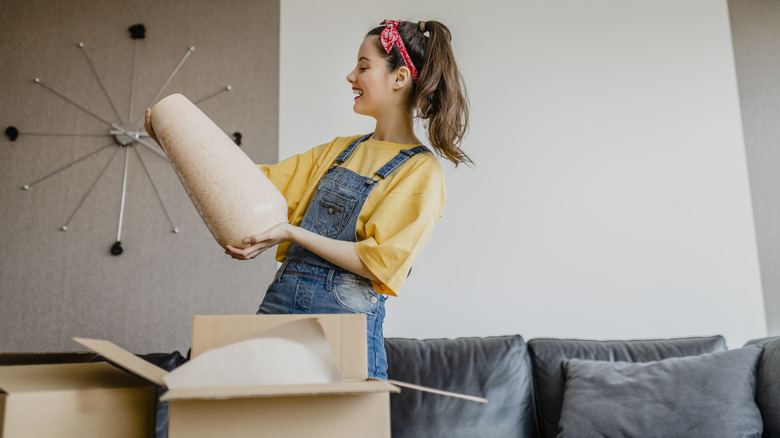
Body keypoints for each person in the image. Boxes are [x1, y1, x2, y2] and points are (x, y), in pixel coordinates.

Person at [145, 19, 470, 379]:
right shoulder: (339, 151)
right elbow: (249, 183)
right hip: (281, 304)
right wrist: (173, 139)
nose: (351, 76)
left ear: (399, 78)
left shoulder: (421, 172)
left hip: (345, 319)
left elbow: (378, 263)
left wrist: (293, 233)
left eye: (363, 67)